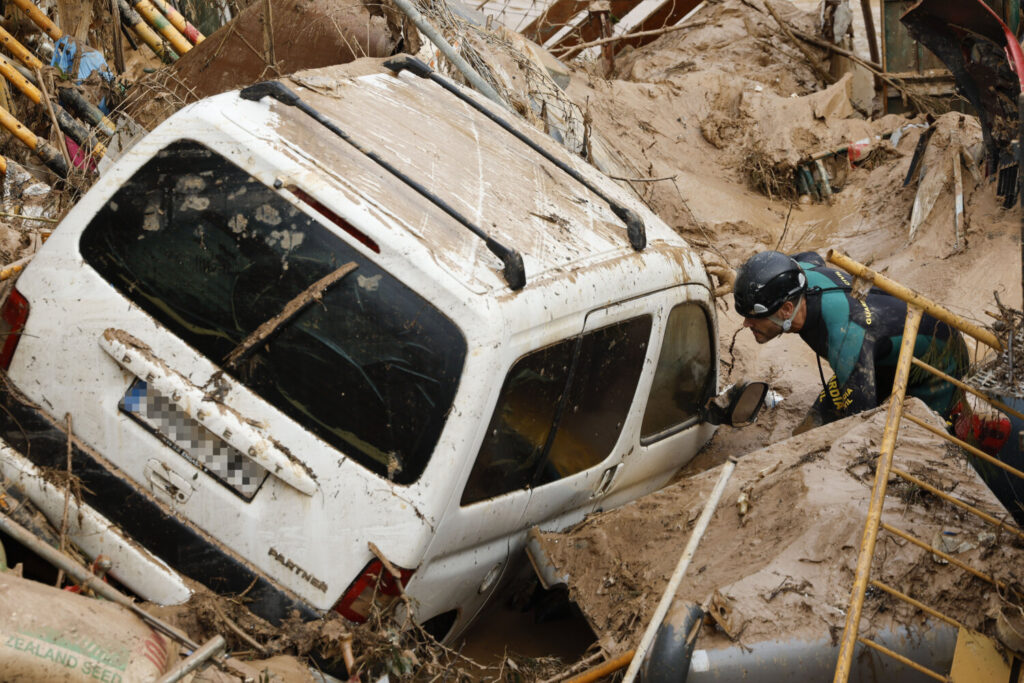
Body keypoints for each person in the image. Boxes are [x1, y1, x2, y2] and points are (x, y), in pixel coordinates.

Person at [732, 250, 985, 438]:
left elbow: (859, 425)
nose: (746, 324)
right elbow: (803, 259)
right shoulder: (802, 272)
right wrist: (741, 286)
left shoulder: (844, 337)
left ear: (787, 309)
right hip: (879, 350)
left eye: (753, 318)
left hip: (938, 365)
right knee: (807, 431)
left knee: (921, 439)